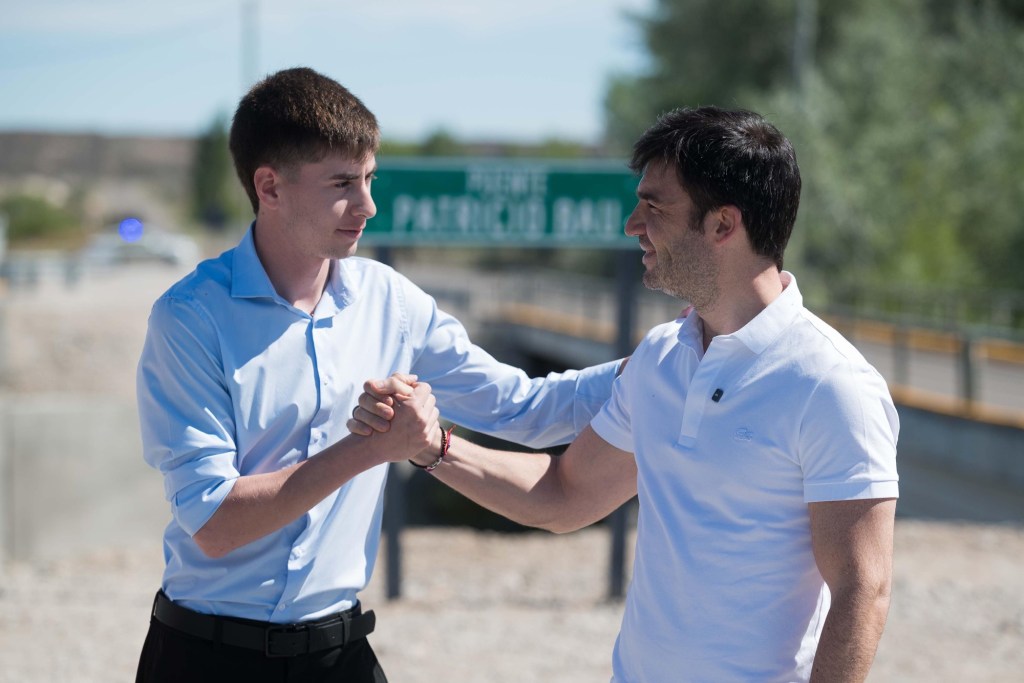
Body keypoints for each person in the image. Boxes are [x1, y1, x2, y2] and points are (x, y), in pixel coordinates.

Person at [354, 106, 900, 682]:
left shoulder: (833, 385)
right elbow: (565, 495)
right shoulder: (661, 357)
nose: (631, 223)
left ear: (723, 225)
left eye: (654, 206)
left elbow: (863, 590)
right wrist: (432, 447)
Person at [133, 66, 621, 683]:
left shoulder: (391, 301)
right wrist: (372, 450)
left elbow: (523, 410)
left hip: (341, 657)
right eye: (342, 183)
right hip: (204, 660)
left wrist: (659, 363)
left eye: (369, 178)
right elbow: (213, 525)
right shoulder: (190, 319)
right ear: (270, 186)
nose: (367, 205)